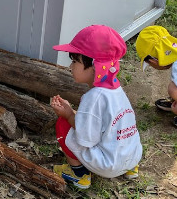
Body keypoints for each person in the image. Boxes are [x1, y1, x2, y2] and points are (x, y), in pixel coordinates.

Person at [50, 25, 142, 189]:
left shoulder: (93, 97)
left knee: (63, 125)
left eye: (74, 61)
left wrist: (69, 114)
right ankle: (130, 168)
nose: (71, 67)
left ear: (94, 66)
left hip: (107, 165)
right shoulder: (116, 89)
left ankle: (80, 175)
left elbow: (86, 139)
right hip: (132, 156)